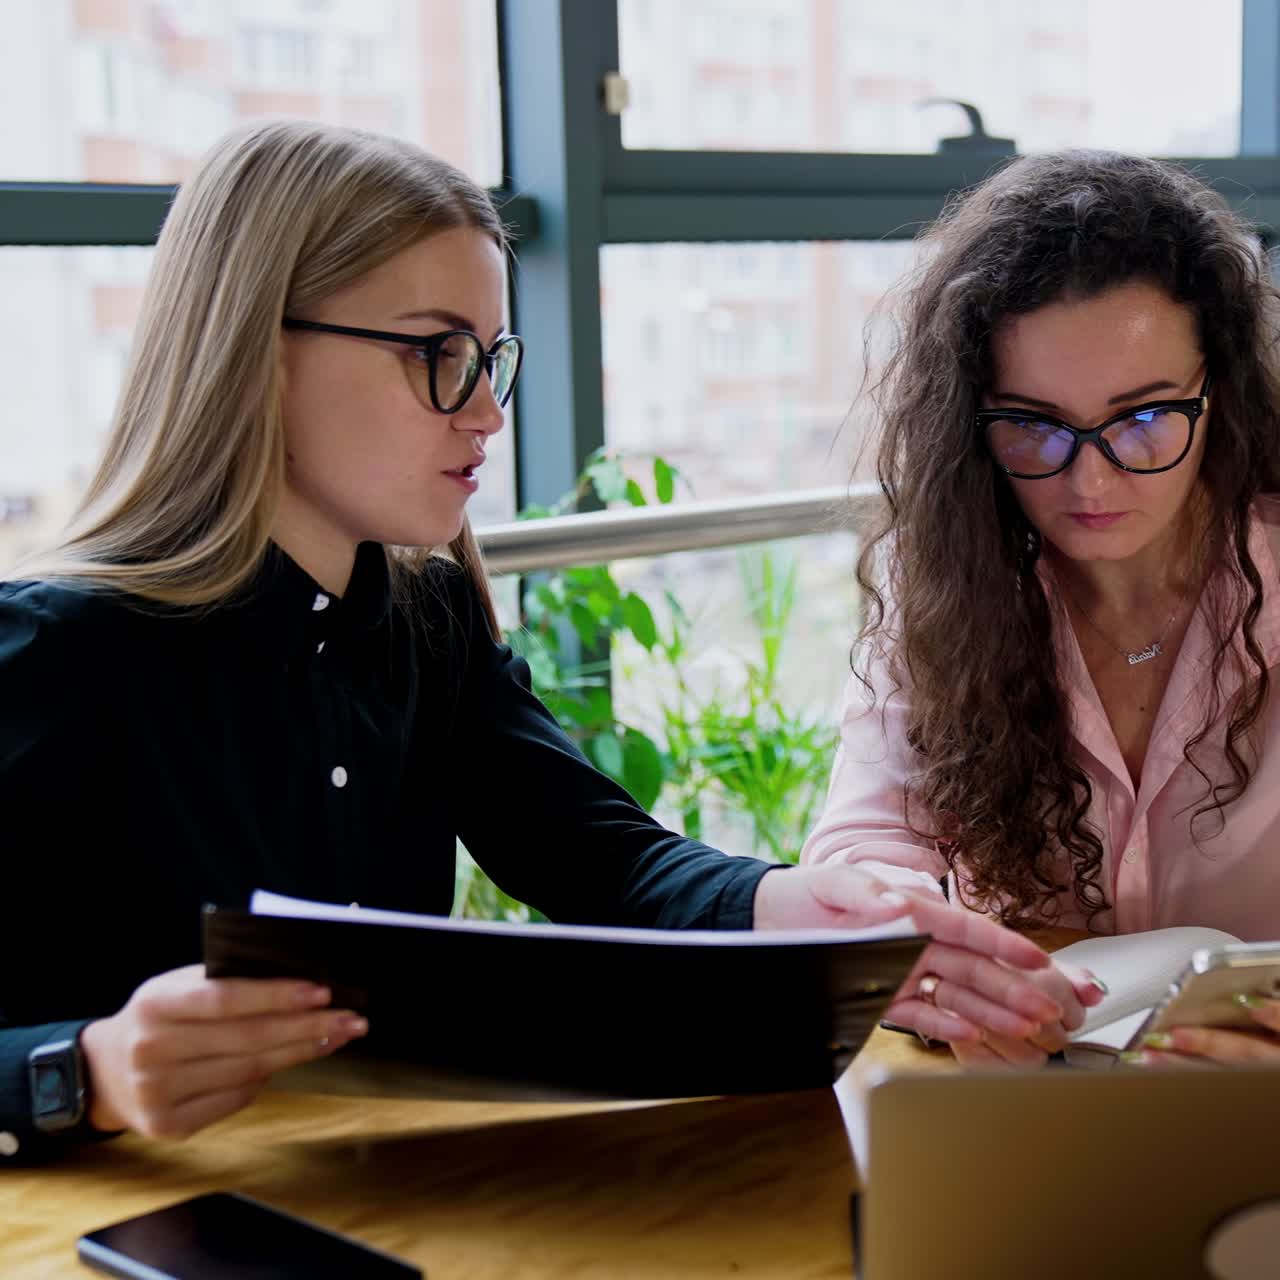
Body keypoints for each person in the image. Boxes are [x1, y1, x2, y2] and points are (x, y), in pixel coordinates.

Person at [0, 121, 1081, 1162]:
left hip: (380, 1198)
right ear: (255, 347)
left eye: (491, 357)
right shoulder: (54, 655)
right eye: (438, 352)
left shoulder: (425, 623)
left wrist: (803, 910)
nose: (486, 412)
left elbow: (598, 857)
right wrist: (81, 1071)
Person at [803, 148, 1280, 1069]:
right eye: (1035, 423)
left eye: (1143, 418)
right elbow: (862, 841)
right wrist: (922, 954)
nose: (1089, 478)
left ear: (1216, 394)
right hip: (1031, 1100)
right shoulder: (942, 586)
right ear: (974, 420)